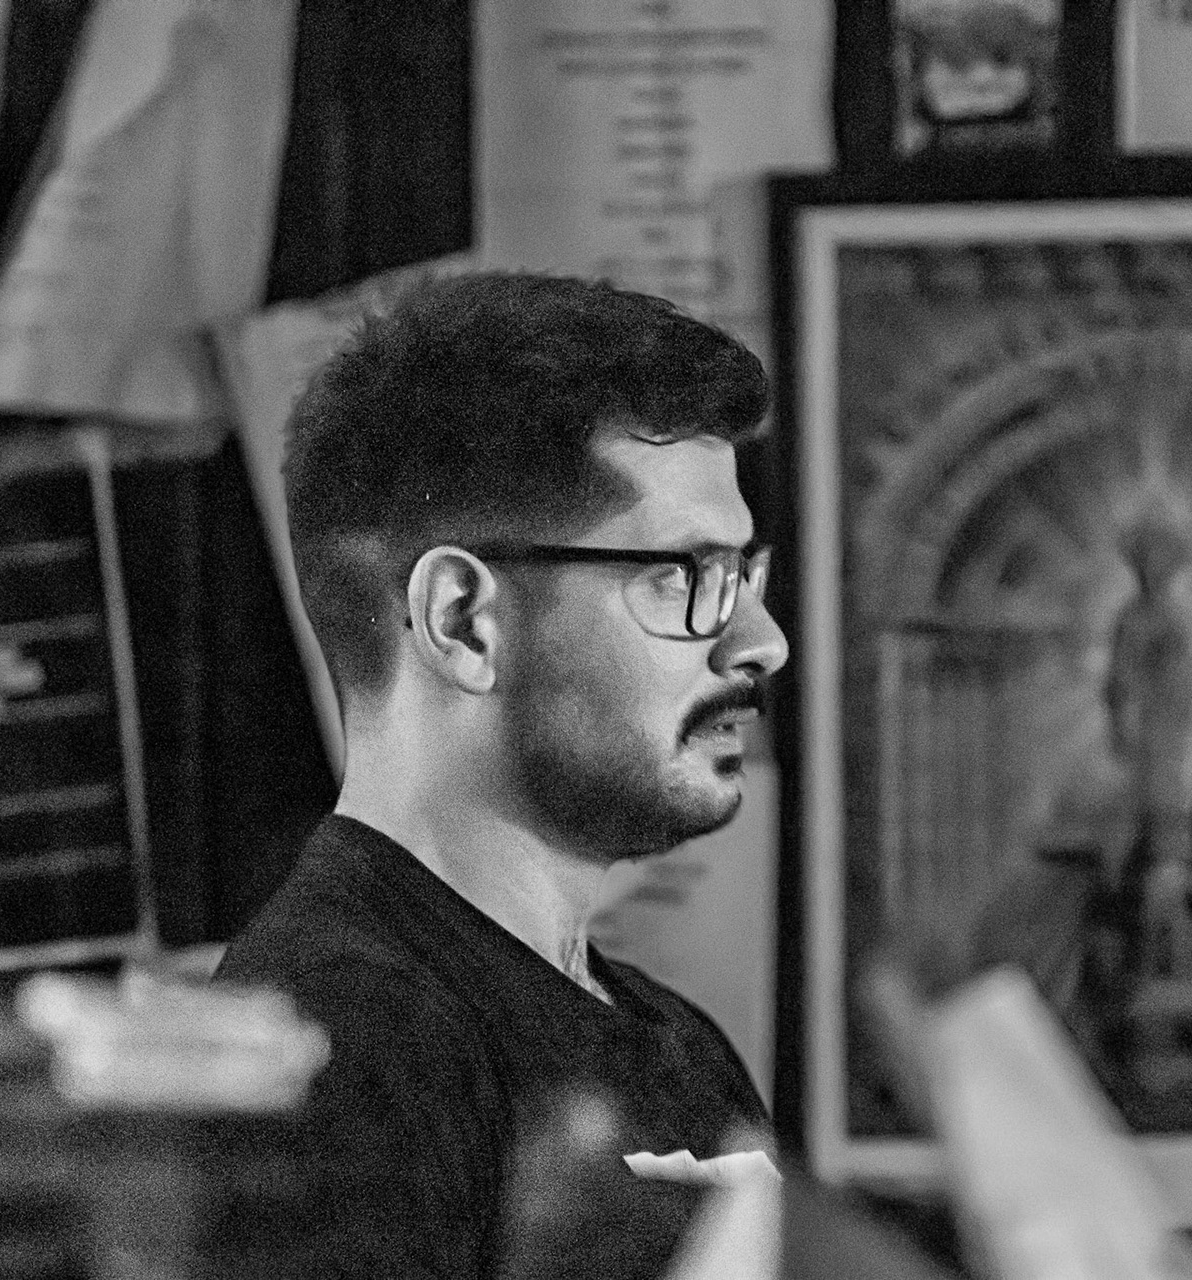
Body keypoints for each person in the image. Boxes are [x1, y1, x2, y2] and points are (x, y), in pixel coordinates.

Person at [215, 271, 789, 1278]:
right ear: (464, 623)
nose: (762, 641)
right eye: (685, 576)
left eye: (745, 573)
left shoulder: (678, 1045)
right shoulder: (334, 1048)